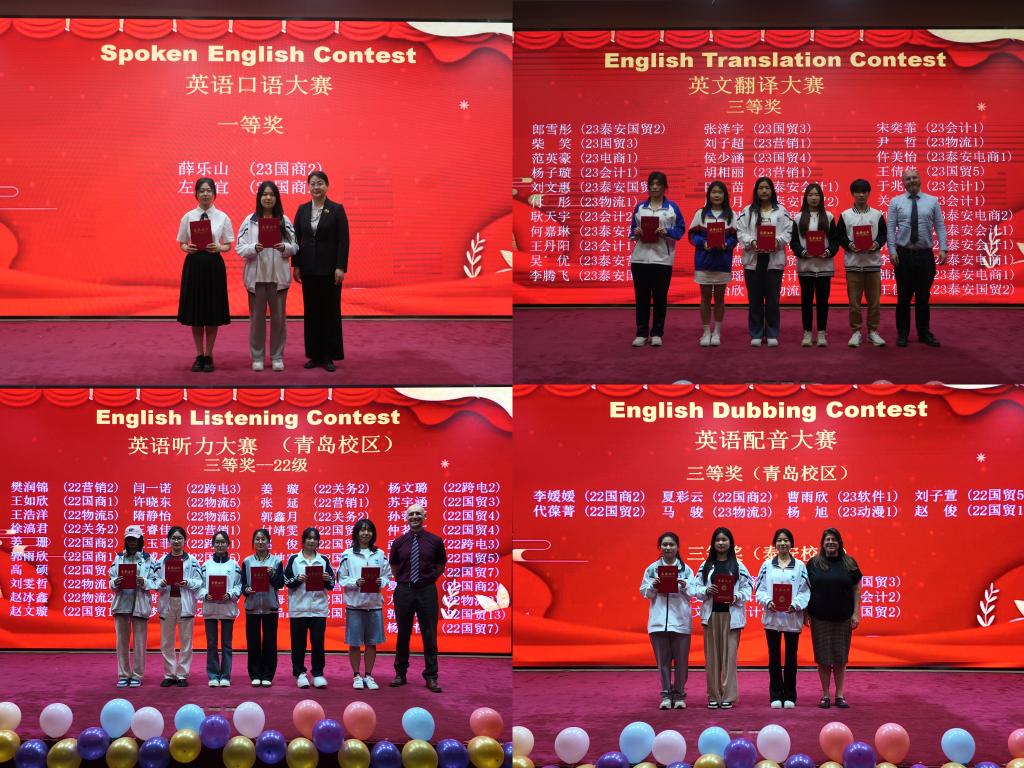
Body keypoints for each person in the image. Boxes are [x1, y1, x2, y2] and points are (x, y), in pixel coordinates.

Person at [236, 181, 299, 372]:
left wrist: (284, 247)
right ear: (259, 197)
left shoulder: (284, 220)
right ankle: (257, 357)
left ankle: (277, 357)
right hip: (256, 278)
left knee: (278, 320)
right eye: (264, 194)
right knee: (257, 321)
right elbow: (239, 247)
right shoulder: (250, 221)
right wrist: (253, 248)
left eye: (272, 195)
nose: (268, 198)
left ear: (277, 198)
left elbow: (295, 246)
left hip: (278, 279)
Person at [293, 170, 350, 371]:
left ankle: (328, 355)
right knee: (311, 312)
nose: (316, 187)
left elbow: (343, 241)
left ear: (327, 186)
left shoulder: (336, 209)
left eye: (320, 183)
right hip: (308, 269)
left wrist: (340, 267)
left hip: (330, 270)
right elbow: (295, 239)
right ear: (308, 187)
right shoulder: (302, 209)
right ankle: (314, 355)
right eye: (313, 184)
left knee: (330, 312)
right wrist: (296, 265)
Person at [176, 177, 233, 372]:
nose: (205, 194)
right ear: (196, 194)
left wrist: (219, 247)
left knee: (212, 312)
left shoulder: (223, 217)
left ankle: (209, 355)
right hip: (194, 265)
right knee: (197, 312)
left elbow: (228, 244)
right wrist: (187, 248)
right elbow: (182, 243)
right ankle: (199, 355)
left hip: (213, 265)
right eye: (201, 190)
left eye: (209, 190)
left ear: (215, 193)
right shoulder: (188, 216)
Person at [692, 527, 753, 708]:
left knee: (729, 659)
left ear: (730, 543)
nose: (720, 543)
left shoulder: (738, 565)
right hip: (711, 616)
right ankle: (713, 696)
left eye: (724, 539)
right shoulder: (705, 566)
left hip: (731, 617)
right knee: (712, 659)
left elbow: (748, 588)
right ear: (713, 543)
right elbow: (695, 588)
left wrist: (737, 596)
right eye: (717, 540)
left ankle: (728, 696)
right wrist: (706, 590)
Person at [389, 503, 447, 692]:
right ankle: (400, 673)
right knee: (403, 633)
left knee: (429, 634)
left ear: (424, 516)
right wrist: (407, 581)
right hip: (404, 591)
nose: (414, 517)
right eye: (411, 514)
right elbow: (394, 567)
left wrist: (427, 580)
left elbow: (440, 566)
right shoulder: (399, 542)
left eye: (418, 514)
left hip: (426, 591)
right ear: (407, 518)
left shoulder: (435, 541)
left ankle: (431, 677)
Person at [887, 167, 947, 347]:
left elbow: (940, 225)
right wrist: (892, 251)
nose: (911, 181)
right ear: (903, 183)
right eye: (907, 179)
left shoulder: (932, 201)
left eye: (914, 177)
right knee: (903, 297)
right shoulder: (896, 202)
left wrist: (943, 248)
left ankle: (924, 333)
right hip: (903, 255)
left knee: (923, 297)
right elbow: (891, 228)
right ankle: (903, 333)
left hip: (925, 256)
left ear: (920, 179)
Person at [627, 171, 685, 348]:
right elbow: (632, 231)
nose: (654, 187)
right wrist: (636, 233)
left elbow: (680, 230)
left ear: (664, 187)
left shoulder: (672, 208)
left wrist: (666, 232)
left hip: (662, 260)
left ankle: (657, 333)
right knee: (641, 298)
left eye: (658, 184)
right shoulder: (640, 207)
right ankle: (641, 333)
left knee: (660, 298)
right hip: (640, 260)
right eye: (651, 184)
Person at [806, 528, 862, 709]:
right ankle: (825, 695)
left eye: (834, 540)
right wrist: (806, 613)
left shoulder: (849, 563)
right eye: (827, 540)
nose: (830, 542)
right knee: (823, 658)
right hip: (819, 618)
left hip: (843, 618)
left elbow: (856, 590)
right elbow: (805, 589)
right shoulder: (813, 563)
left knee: (840, 658)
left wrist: (856, 613)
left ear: (839, 543)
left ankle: (839, 694)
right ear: (822, 544)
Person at [754, 528, 810, 708]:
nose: (783, 543)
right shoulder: (767, 565)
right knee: (774, 658)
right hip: (772, 619)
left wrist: (796, 605)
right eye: (779, 540)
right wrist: (767, 601)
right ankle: (776, 695)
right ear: (774, 544)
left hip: (792, 619)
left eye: (786, 540)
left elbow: (805, 590)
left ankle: (790, 696)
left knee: (791, 658)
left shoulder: (800, 566)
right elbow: (759, 589)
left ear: (791, 543)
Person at [639, 531, 695, 710]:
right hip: (658, 624)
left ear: (678, 547)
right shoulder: (652, 569)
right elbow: (645, 592)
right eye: (665, 544)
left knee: (681, 663)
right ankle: (665, 695)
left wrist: (685, 585)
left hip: (680, 623)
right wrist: (653, 586)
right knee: (663, 663)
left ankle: (679, 695)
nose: (668, 547)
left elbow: (694, 592)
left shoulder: (686, 570)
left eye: (672, 544)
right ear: (660, 547)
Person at [338, 518, 393, 691]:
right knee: (354, 643)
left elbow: (388, 575)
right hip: (355, 605)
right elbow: (341, 578)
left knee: (371, 643)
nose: (365, 533)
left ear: (373, 534)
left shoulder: (380, 554)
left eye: (369, 530)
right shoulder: (347, 554)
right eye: (362, 530)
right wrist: (356, 582)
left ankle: (368, 675)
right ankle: (356, 675)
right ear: (356, 533)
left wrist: (381, 581)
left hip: (374, 604)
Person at [737, 177, 793, 346]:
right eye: (760, 188)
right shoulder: (747, 211)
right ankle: (756, 333)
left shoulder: (781, 211)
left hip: (774, 260)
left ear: (772, 191)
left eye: (767, 188)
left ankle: (772, 333)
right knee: (755, 299)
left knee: (773, 300)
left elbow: (788, 231)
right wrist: (752, 242)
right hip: (753, 260)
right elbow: (740, 232)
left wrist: (777, 241)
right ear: (756, 191)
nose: (764, 191)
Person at [836, 179, 888, 348]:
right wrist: (850, 245)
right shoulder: (845, 215)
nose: (861, 195)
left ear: (868, 193)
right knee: (854, 303)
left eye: (864, 192)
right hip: (853, 264)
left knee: (875, 302)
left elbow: (883, 235)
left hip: (873, 264)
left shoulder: (877, 214)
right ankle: (856, 332)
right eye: (857, 192)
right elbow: (840, 236)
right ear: (852, 194)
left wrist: (876, 244)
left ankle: (873, 331)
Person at [284, 526, 336, 689]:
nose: (312, 541)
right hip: (298, 608)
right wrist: (298, 579)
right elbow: (286, 581)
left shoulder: (323, 560)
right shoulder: (294, 559)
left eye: (315, 538)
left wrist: (326, 579)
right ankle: (300, 673)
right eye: (309, 538)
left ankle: (318, 673)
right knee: (298, 644)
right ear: (303, 540)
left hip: (318, 609)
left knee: (318, 643)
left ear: (318, 542)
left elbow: (332, 584)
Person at [687, 181, 737, 347]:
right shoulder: (700, 214)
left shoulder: (731, 215)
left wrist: (727, 244)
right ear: (709, 195)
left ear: (725, 195)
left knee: (720, 299)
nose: (716, 195)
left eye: (720, 192)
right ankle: (706, 331)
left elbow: (735, 237)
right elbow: (692, 236)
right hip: (704, 262)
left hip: (722, 262)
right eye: (713, 192)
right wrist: (703, 243)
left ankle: (717, 332)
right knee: (705, 298)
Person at [152, 526, 204, 687]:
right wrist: (161, 583)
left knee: (186, 641)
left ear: (184, 540)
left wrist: (187, 582)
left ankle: (182, 674)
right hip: (167, 603)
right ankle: (169, 674)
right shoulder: (161, 561)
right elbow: (153, 582)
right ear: (169, 540)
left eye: (179, 538)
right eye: (173, 538)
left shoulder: (192, 561)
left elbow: (199, 581)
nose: (176, 541)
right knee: (166, 642)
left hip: (185, 603)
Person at [790, 184, 836, 347]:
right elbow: (794, 242)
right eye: (810, 195)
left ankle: (822, 333)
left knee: (823, 302)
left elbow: (834, 241)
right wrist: (802, 252)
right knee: (806, 302)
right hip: (806, 267)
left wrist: (828, 251)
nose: (814, 198)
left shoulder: (829, 216)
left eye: (817, 195)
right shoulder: (798, 217)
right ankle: (807, 333)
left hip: (824, 266)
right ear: (805, 198)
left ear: (821, 197)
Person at [108, 524, 152, 688]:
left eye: (135, 539)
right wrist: (116, 582)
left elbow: (154, 581)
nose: (132, 542)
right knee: (122, 642)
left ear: (140, 540)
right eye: (129, 539)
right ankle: (123, 674)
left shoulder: (147, 558)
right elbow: (111, 580)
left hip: (140, 604)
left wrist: (144, 581)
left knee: (140, 642)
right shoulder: (119, 557)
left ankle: (137, 675)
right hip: (122, 603)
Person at [241, 528, 286, 687]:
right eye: (257, 539)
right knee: (253, 642)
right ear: (253, 542)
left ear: (268, 542)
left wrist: (273, 574)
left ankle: (267, 675)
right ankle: (255, 674)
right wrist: (247, 589)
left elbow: (280, 584)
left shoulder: (276, 561)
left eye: (263, 539)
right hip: (252, 607)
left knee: (270, 642)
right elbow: (243, 585)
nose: (260, 542)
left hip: (270, 607)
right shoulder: (247, 561)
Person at [199, 530, 242, 687]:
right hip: (210, 608)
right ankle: (213, 676)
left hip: (227, 608)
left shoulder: (234, 565)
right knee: (211, 644)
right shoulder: (206, 565)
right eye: (217, 542)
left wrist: (230, 594)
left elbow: (239, 585)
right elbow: (200, 586)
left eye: (223, 542)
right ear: (213, 544)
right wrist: (205, 594)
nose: (220, 545)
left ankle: (225, 676)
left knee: (226, 644)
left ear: (228, 544)